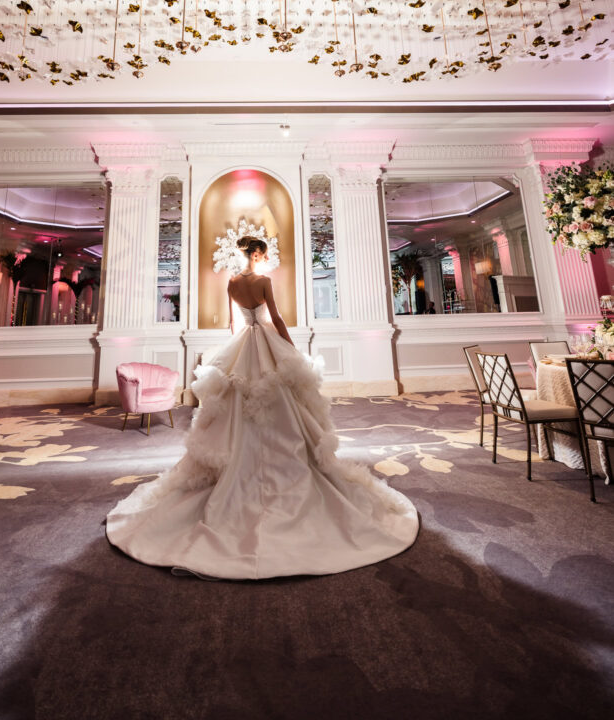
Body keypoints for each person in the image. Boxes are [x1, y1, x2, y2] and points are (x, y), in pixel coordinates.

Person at [106, 235, 419, 578]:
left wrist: (234, 351)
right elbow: (277, 319)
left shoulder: (232, 282)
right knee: (284, 406)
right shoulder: (263, 281)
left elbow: (232, 324)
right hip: (266, 342)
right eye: (264, 253)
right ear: (256, 254)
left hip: (241, 345)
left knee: (236, 407)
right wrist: (291, 350)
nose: (266, 258)